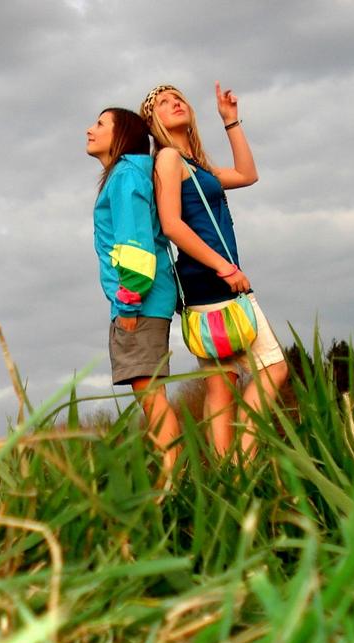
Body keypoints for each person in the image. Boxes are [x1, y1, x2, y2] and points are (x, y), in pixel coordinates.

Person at [140, 83, 289, 459]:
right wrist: (225, 268)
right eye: (162, 102)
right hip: (213, 278)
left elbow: (247, 174)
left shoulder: (196, 165)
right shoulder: (169, 160)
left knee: (221, 387)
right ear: (152, 120)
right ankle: (242, 457)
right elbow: (172, 224)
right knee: (274, 368)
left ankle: (228, 475)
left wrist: (231, 121)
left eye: (177, 98)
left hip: (204, 283)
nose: (173, 103)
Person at [86, 107, 180, 471]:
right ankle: (172, 475)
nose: (89, 130)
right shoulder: (128, 176)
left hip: (138, 302)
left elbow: (135, 244)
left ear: (122, 134)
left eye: (99, 124)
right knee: (150, 395)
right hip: (144, 298)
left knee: (151, 397)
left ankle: (173, 479)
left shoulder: (125, 177)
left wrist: (127, 305)